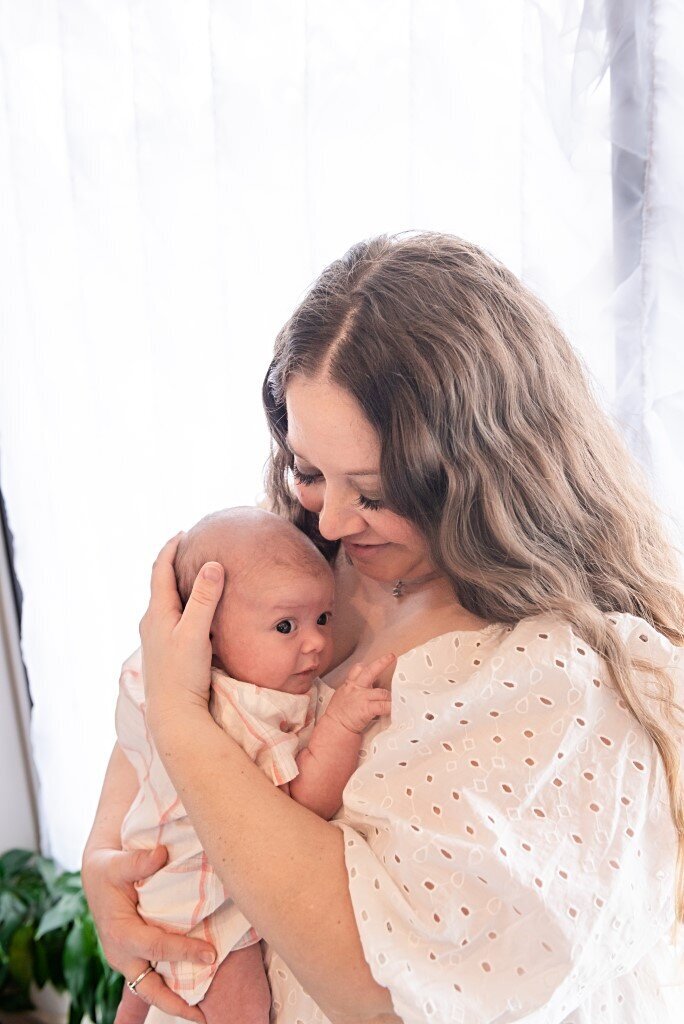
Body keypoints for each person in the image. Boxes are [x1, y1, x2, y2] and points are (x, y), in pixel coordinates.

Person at [83, 232, 684, 1024]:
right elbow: (152, 697)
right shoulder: (292, 569)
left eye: (372, 491)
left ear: (481, 469)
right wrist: (107, 865)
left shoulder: (559, 681)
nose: (328, 517)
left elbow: (382, 990)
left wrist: (183, 727)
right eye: (307, 470)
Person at [113, 507, 393, 1024]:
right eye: (285, 625)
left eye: (323, 618)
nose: (314, 642)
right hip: (206, 908)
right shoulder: (252, 712)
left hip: (158, 889)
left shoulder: (160, 673)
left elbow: (132, 745)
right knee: (244, 1011)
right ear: (209, 634)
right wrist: (342, 726)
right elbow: (299, 806)